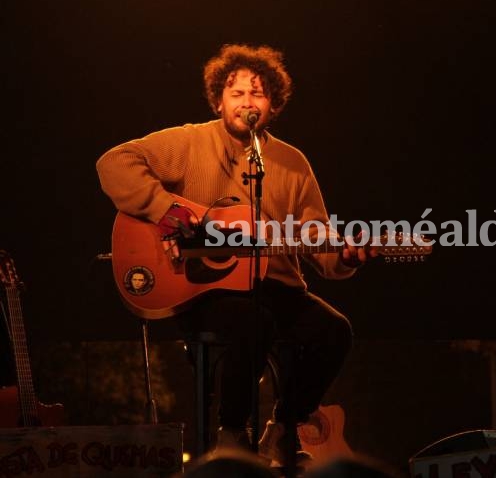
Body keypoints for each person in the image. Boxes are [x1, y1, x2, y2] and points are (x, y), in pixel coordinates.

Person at [96, 44, 376, 463]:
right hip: (204, 291)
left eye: (258, 93)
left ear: (273, 104)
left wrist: (344, 258)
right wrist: (168, 212)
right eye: (237, 92)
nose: (247, 102)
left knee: (335, 330)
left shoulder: (292, 162)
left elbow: (316, 239)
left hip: (278, 288)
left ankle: (282, 427)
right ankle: (231, 434)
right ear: (220, 99)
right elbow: (113, 162)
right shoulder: (189, 142)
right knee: (251, 319)